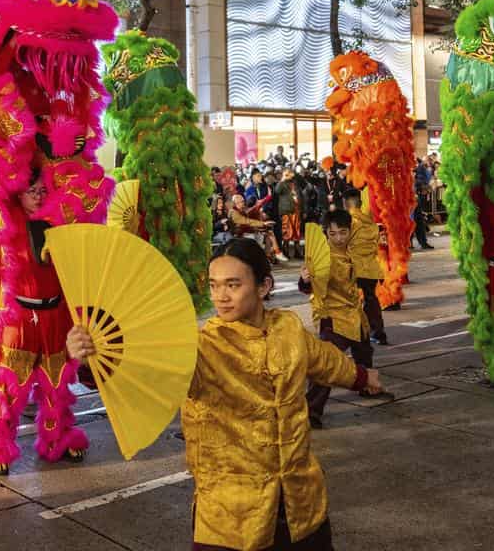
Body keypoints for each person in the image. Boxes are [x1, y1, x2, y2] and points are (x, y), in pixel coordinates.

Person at [67, 239, 382, 550]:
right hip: (231, 516)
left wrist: (363, 377)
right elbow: (143, 370)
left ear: (263, 286)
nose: (221, 297)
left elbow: (325, 361)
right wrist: (90, 362)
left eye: (233, 285)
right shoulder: (201, 347)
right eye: (215, 286)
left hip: (301, 503)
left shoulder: (288, 329)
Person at [298, 210, 386, 428]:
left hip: (356, 314)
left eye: (342, 232)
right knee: (327, 364)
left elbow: (365, 279)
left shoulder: (354, 250)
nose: (338, 238)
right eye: (333, 233)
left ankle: (368, 387)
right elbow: (310, 286)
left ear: (350, 231)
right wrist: (305, 279)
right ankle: (312, 411)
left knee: (365, 353)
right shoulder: (322, 257)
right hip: (333, 317)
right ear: (326, 233)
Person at [344, 189, 388, 345]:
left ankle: (356, 333)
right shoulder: (371, 224)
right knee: (371, 300)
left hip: (354, 268)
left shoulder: (349, 223)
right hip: (371, 268)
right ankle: (379, 332)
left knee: (350, 301)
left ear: (346, 204)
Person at [275, 169, 303, 259]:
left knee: (297, 232)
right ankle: (285, 251)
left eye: (290, 174)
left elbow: (302, 195)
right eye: (287, 174)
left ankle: (297, 251)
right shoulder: (282, 184)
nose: (290, 175)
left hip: (297, 211)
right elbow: (276, 191)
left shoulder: (296, 183)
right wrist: (283, 179)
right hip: (287, 211)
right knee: (286, 231)